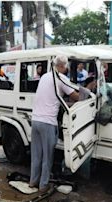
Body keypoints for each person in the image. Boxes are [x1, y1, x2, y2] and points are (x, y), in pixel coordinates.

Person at [30, 55, 79, 192]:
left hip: (36, 120)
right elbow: (75, 96)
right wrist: (87, 92)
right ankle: (43, 186)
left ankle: (33, 182)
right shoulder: (61, 78)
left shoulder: (45, 76)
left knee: (36, 154)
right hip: (48, 122)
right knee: (47, 157)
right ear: (63, 66)